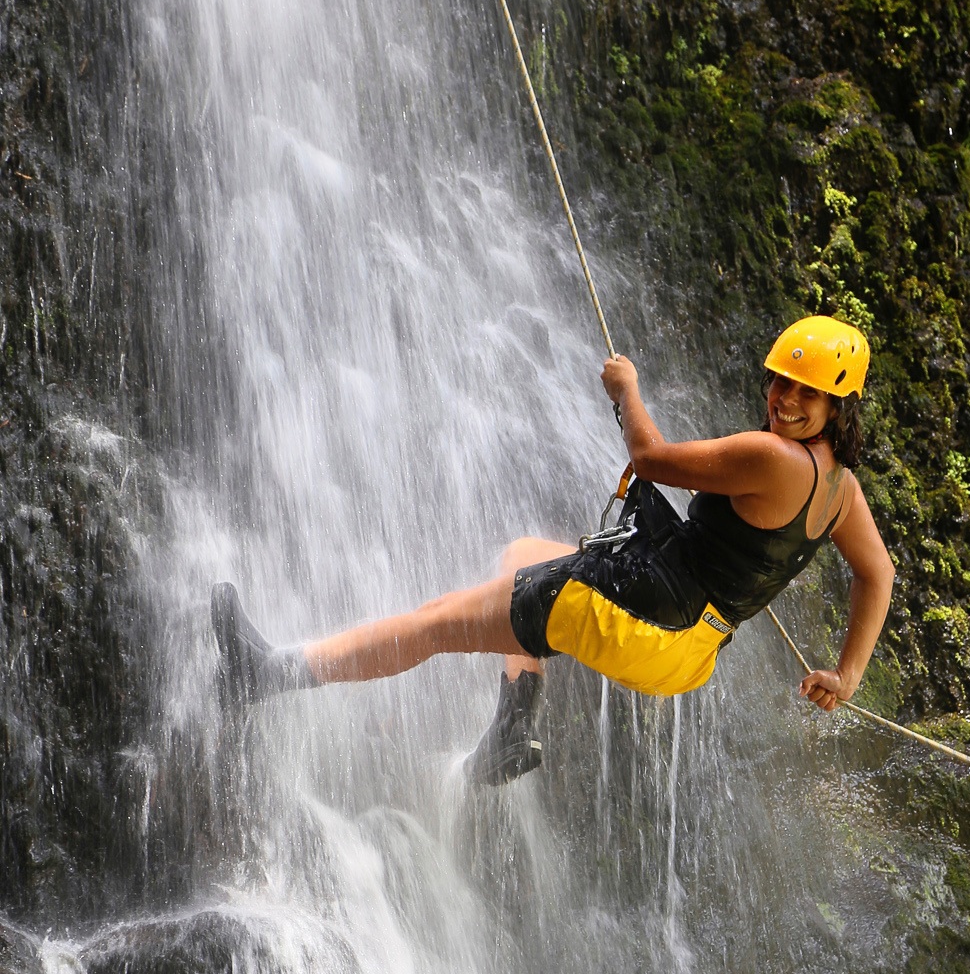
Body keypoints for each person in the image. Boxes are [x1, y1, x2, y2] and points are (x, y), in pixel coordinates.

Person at [212, 315, 897, 785]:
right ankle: (516, 720)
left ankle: (266, 675)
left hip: (639, 610)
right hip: (689, 652)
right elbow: (877, 573)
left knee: (435, 621)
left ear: (841, 403)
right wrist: (848, 674)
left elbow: (650, 458)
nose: (785, 399)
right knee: (523, 552)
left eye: (808, 391)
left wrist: (625, 389)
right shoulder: (841, 490)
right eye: (780, 382)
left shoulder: (772, 458)